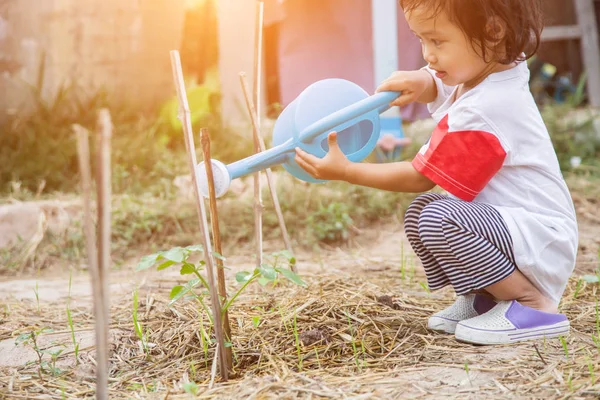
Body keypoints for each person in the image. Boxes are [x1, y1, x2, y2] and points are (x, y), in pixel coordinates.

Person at [294, 0, 578, 345]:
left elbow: (420, 176)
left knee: (439, 218)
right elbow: (453, 81)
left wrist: (349, 171)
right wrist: (424, 81)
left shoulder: (487, 110)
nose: (428, 55)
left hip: (539, 241)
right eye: (422, 40)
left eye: (438, 42)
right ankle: (485, 296)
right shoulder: (495, 70)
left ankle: (534, 304)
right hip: (519, 232)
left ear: (492, 32)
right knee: (421, 213)